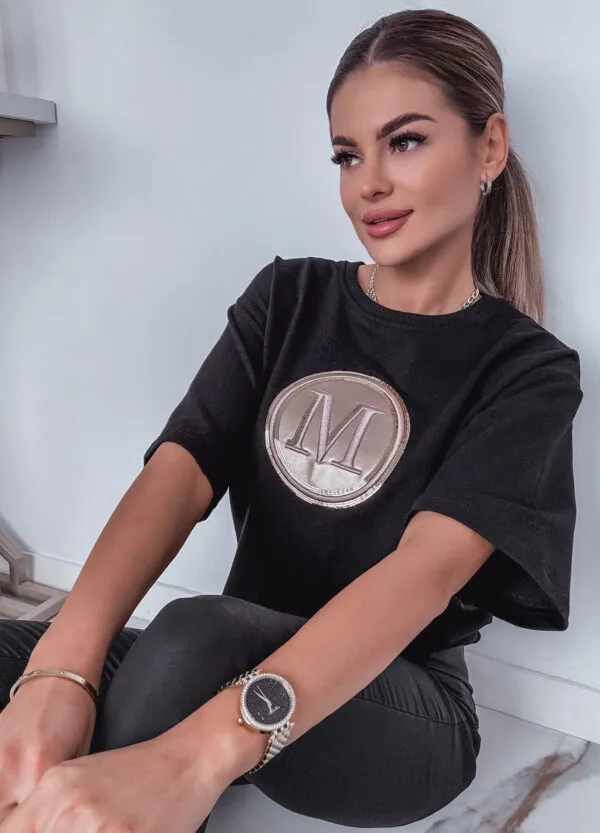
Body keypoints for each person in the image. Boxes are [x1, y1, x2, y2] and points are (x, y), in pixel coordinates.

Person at [0, 8, 584, 832]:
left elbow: (423, 573)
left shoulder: (527, 369)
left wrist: (189, 759)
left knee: (193, 632)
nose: (368, 182)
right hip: (220, 663)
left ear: (489, 147)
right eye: (348, 155)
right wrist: (60, 672)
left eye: (405, 141)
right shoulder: (289, 297)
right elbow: (178, 474)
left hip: (396, 711)